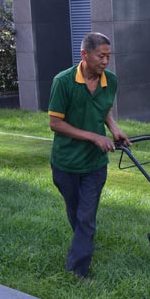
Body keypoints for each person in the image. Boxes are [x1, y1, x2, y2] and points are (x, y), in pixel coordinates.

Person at [48, 32, 130, 279]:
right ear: (84, 55)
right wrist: (95, 137)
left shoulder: (110, 81)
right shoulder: (63, 82)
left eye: (108, 56)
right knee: (76, 214)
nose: (105, 61)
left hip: (94, 163)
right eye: (100, 56)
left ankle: (76, 271)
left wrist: (114, 128)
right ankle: (82, 244)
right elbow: (55, 123)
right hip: (66, 162)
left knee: (86, 216)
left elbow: (103, 108)